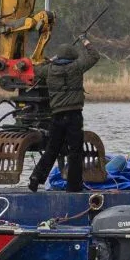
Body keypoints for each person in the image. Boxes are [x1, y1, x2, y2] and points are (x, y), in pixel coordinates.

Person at [27, 39, 102, 193]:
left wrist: (51, 60)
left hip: (57, 116)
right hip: (74, 115)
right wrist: (86, 42)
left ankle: (36, 178)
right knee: (75, 151)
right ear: (72, 57)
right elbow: (94, 56)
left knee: (52, 149)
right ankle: (73, 187)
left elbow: (34, 70)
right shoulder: (77, 67)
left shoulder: (48, 70)